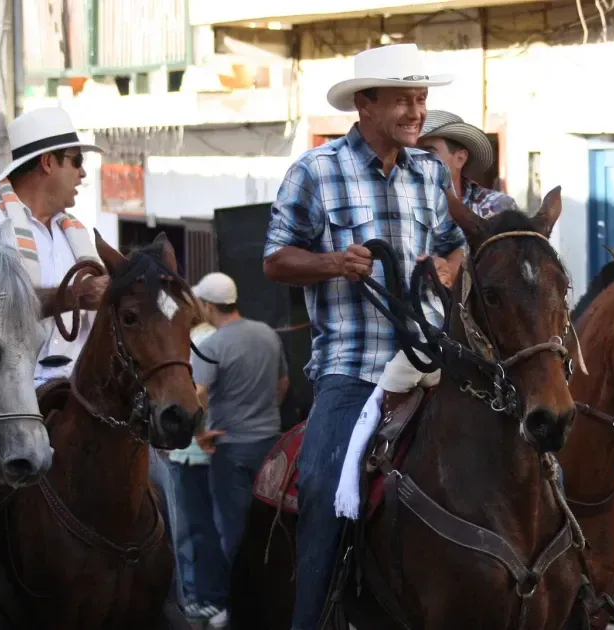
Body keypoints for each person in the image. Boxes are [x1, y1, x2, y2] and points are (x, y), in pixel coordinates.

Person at [263, 43, 467, 629]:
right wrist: (332, 263)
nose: (417, 110)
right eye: (404, 98)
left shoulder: (430, 173)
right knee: (326, 484)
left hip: (431, 359)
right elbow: (276, 259)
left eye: (422, 98)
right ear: (366, 103)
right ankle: (312, 620)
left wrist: (450, 267)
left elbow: (455, 245)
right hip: (353, 367)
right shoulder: (315, 171)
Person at [0, 107, 108, 500]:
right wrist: (73, 296)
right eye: (77, 162)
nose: (83, 174)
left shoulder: (76, 233)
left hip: (83, 396)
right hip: (13, 400)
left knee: (156, 481)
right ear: (48, 162)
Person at [190, 272, 287, 629]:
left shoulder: (212, 345)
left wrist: (200, 433)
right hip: (272, 446)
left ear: (208, 305)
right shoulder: (267, 334)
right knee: (271, 530)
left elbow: (198, 392)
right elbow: (283, 384)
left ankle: (240, 613)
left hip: (231, 449)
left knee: (234, 532)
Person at [163, 283, 230, 624]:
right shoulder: (217, 337)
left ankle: (199, 598)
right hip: (203, 452)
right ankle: (207, 596)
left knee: (192, 529)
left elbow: (198, 392)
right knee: (206, 528)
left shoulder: (199, 341)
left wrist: (198, 432)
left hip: (192, 451)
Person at [416, 109, 518, 217]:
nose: (414, 159)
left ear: (460, 158)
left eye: (428, 151)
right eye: (409, 152)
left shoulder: (496, 208)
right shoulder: (400, 207)